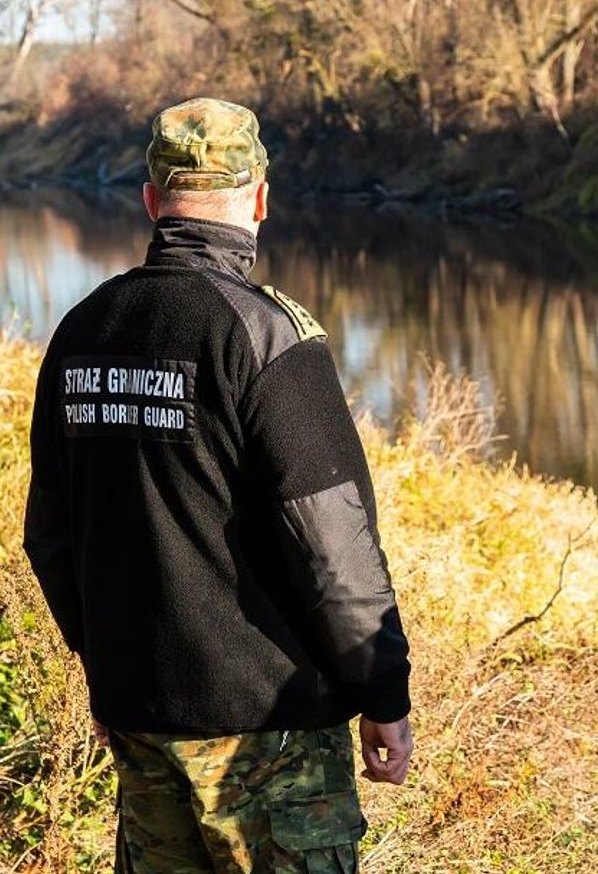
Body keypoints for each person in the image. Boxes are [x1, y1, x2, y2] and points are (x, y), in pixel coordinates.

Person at [24, 98, 413, 874]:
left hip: (142, 719)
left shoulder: (82, 330)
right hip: (269, 732)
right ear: (261, 199)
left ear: (150, 200)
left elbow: (52, 538)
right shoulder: (267, 336)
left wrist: (109, 668)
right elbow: (333, 547)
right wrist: (385, 693)